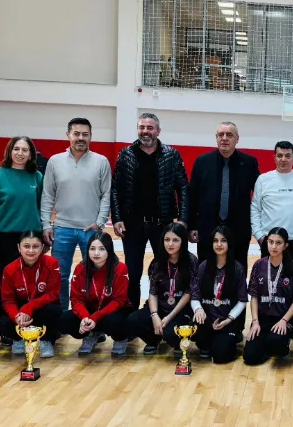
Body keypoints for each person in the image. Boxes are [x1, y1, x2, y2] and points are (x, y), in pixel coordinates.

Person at [111, 113, 190, 308]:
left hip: (162, 225)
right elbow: (115, 189)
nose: (145, 131)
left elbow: (183, 188)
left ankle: (162, 311)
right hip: (132, 225)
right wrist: (117, 218)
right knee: (133, 272)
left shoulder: (171, 155)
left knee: (165, 271)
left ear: (158, 131)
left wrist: (182, 219)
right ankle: (131, 315)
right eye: (142, 127)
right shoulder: (126, 154)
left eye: (150, 128)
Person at [41, 118, 112, 308]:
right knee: (60, 276)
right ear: (68, 135)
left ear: (91, 136)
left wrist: (100, 222)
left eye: (85, 134)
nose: (81, 138)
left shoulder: (101, 162)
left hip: (91, 230)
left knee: (93, 276)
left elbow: (106, 194)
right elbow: (47, 195)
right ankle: (62, 316)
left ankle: (89, 316)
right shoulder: (55, 161)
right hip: (62, 229)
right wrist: (46, 224)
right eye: (76, 134)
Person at [188, 122, 260, 267]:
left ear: (237, 138)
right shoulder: (202, 162)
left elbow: (259, 196)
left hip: (239, 229)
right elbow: (192, 196)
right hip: (207, 228)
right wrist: (192, 226)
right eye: (221, 135)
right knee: (205, 269)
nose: (224, 138)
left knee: (238, 269)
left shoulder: (249, 163)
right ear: (216, 138)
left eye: (229, 135)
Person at [125, 223, 197, 356]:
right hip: (161, 307)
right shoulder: (157, 262)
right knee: (132, 321)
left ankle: (177, 340)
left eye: (175, 240)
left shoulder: (191, 261)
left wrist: (169, 317)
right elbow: (153, 292)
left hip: (180, 310)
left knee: (171, 333)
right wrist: (154, 315)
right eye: (167, 239)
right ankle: (153, 339)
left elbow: (189, 293)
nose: (170, 244)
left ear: (183, 241)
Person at [60, 232, 130, 357]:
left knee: (114, 322)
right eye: (92, 249)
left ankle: (120, 338)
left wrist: (95, 317)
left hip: (113, 311)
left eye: (101, 249)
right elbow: (76, 299)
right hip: (91, 312)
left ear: (109, 250)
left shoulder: (120, 268)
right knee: (66, 320)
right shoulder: (80, 268)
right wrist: (85, 318)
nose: (96, 253)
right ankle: (93, 333)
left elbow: (119, 301)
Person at [243, 228, 293, 365]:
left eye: (278, 243)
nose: (274, 246)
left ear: (285, 245)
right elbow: (254, 296)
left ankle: (280, 343)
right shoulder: (259, 265)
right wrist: (255, 321)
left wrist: (284, 320)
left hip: (283, 319)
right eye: (270, 242)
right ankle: (265, 344)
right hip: (262, 319)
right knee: (250, 357)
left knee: (276, 342)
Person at [0, 136, 44, 271]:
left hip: (32, 236)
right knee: (5, 277)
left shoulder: (37, 176)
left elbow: (43, 209)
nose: (20, 153)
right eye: (16, 149)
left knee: (31, 277)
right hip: (5, 237)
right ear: (10, 151)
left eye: (25, 150)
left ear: (31, 154)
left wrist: (44, 234)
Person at [0, 231, 62, 359]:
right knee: (4, 324)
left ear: (42, 248)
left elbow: (52, 294)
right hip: (20, 311)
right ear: (19, 248)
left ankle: (46, 340)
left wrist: (29, 308)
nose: (31, 251)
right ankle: (18, 338)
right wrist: (16, 317)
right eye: (26, 246)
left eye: (35, 246)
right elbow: (8, 300)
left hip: (41, 307)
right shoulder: (10, 269)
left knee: (54, 310)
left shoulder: (52, 263)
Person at [190, 225, 249, 364]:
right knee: (196, 330)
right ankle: (206, 344)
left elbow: (242, 300)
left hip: (226, 320)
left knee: (221, 356)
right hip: (206, 319)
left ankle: (222, 342)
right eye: (215, 241)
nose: (219, 244)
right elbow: (195, 295)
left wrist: (229, 319)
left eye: (223, 240)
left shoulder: (237, 268)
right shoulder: (203, 266)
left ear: (229, 243)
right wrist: (198, 309)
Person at [251, 141, 293, 271]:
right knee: (269, 280)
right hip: (270, 242)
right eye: (279, 156)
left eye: (287, 156)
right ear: (274, 158)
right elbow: (255, 208)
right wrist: (260, 236)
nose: (283, 159)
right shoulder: (263, 180)